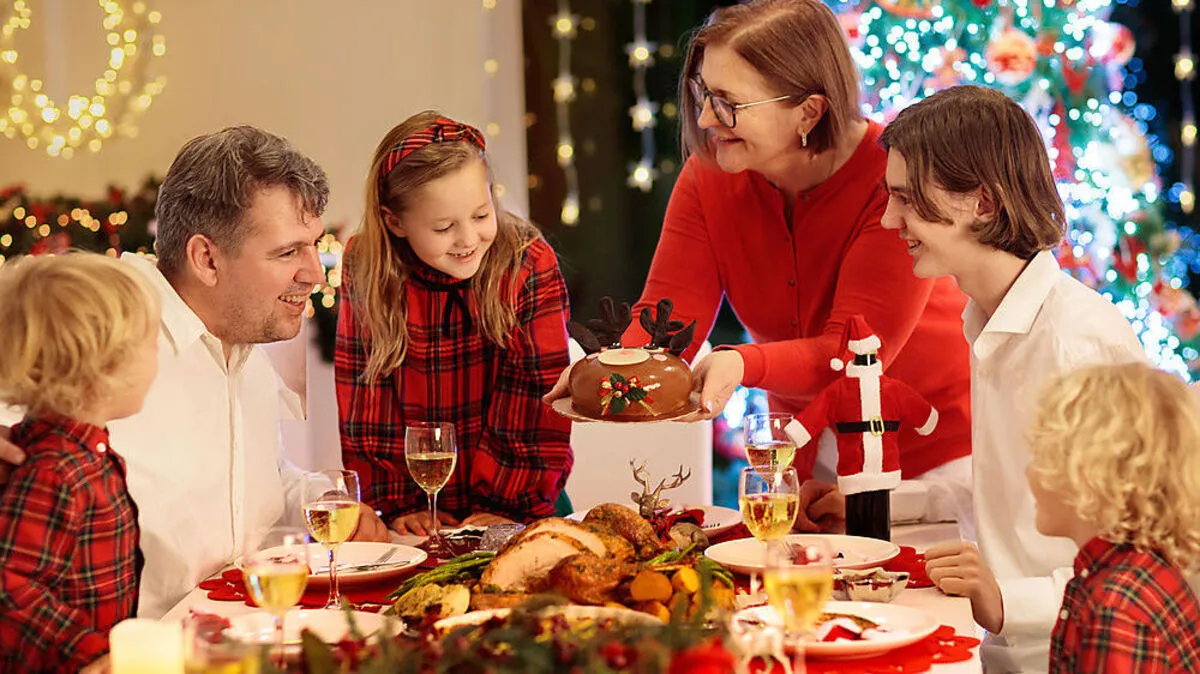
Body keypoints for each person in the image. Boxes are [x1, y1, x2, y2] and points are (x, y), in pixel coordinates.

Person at [545, 0, 973, 530]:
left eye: (728, 103)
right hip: (806, 449)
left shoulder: (892, 177)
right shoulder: (710, 177)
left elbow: (850, 352)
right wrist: (602, 375)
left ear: (808, 112)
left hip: (930, 458)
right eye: (703, 95)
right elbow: (666, 324)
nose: (704, 119)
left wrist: (742, 363)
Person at [0, 126, 389, 619]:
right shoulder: (108, 323)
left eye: (313, 245)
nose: (314, 272)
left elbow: (255, 483)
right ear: (207, 258)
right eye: (288, 251)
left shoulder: (245, 333)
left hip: (243, 637)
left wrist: (320, 499)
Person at [879, 85, 1147, 672]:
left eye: (906, 199)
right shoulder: (992, 320)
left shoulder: (1075, 343)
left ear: (982, 202)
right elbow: (1020, 493)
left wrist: (1007, 600)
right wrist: (891, 503)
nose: (887, 218)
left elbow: (1143, 550)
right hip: (1007, 652)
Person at [336, 112, 573, 536]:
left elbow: (538, 397)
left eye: (481, 215)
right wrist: (395, 503)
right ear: (395, 222)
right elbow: (364, 398)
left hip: (522, 501)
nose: (468, 239)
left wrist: (505, 504)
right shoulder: (365, 266)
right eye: (444, 227)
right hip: (416, 515)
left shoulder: (527, 264)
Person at [0, 253, 160, 673]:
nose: (157, 357)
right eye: (149, 344)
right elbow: (7, 585)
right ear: (104, 366)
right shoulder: (57, 471)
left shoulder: (87, 455)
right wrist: (89, 651)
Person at [1027, 363, 1200, 672]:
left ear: (1093, 477)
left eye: (1043, 458)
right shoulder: (1134, 572)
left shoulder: (1116, 609)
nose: (1029, 472)